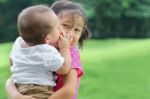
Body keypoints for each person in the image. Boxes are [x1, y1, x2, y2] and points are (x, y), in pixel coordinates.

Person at [5, 0, 90, 99]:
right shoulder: (38, 49)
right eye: (65, 26)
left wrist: (64, 48)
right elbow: (13, 77)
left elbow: (69, 90)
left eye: (77, 30)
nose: (70, 34)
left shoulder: (71, 53)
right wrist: (16, 95)